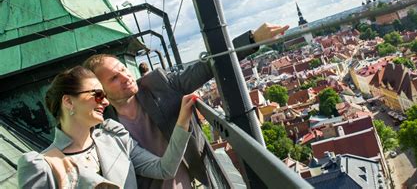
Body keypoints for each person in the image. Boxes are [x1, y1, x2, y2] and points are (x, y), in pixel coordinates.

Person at [83, 23, 289, 188]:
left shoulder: (157, 84)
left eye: (123, 69)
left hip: (192, 178)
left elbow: (206, 67)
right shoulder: (102, 126)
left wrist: (250, 40)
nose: (125, 77)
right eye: (114, 78)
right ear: (101, 90)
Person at [17, 66, 196, 188]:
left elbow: (165, 168)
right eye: (97, 94)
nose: (105, 101)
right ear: (68, 101)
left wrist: (182, 122)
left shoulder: (115, 138)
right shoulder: (41, 165)